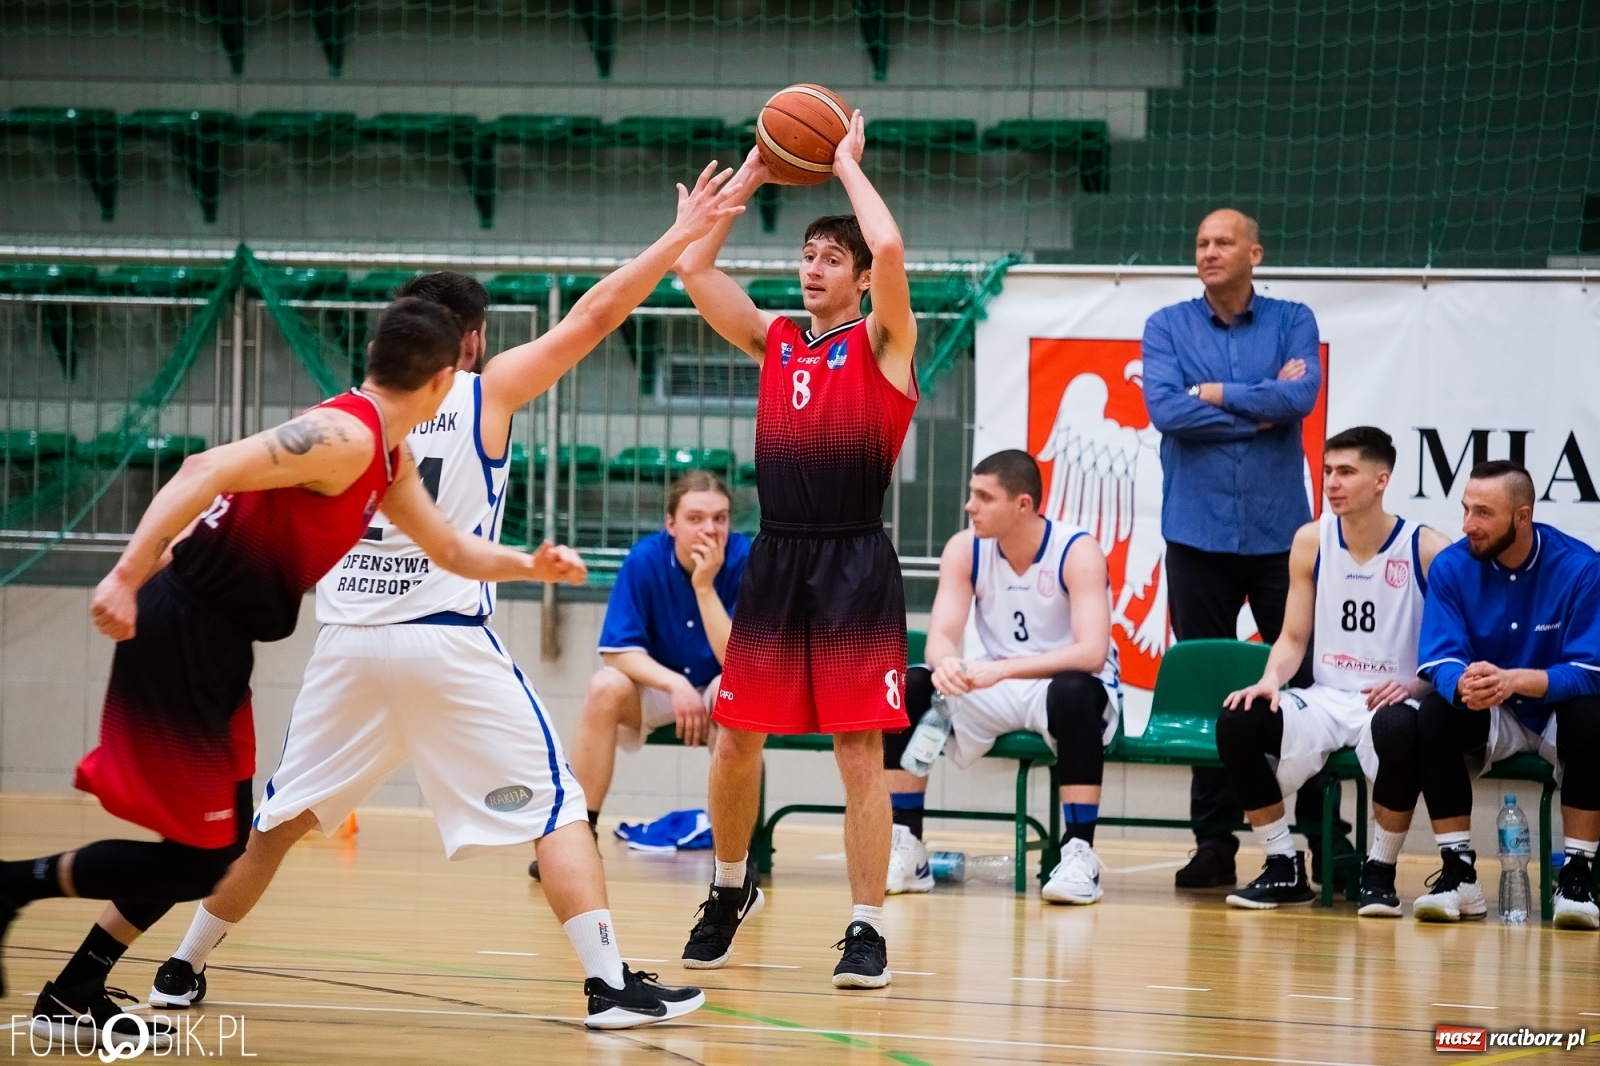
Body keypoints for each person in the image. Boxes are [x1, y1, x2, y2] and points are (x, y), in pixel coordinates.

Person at [143, 166, 742, 1030]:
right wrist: (682, 234)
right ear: (468, 341)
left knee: (275, 822)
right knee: (560, 805)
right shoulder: (484, 391)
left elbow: (231, 495)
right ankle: (609, 984)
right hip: (444, 639)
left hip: (346, 645)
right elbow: (595, 315)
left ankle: (179, 967)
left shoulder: (337, 415)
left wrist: (152, 566)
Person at [0, 298, 567, 1049]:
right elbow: (204, 467)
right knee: (201, 857)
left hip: (221, 644)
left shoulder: (386, 458)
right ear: (442, 383)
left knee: (220, 846)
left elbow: (455, 552)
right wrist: (124, 575)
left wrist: (529, 564)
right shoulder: (342, 434)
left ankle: (72, 991)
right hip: (182, 634)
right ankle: (12, 890)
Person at [671, 112, 918, 989]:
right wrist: (750, 178)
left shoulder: (885, 345)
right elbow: (693, 267)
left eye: (828, 259)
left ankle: (865, 928)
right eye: (806, 256)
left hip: (852, 561)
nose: (812, 268)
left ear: (854, 280)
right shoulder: (775, 339)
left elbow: (889, 249)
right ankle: (729, 890)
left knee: (859, 752)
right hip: (777, 558)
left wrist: (845, 164)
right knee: (736, 739)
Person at [1142, 207, 1347, 890]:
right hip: (1195, 533)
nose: (1208, 251)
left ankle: (1328, 841)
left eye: (1223, 242)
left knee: (1308, 682)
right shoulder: (1167, 325)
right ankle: (1214, 845)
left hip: (1279, 536)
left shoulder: (1294, 319)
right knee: (1208, 690)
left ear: (1254, 252)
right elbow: (1167, 412)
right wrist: (1258, 410)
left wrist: (1219, 394)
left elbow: (1302, 399)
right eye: (1200, 241)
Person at [1214, 427, 1449, 910]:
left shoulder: (1427, 548)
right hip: (1326, 696)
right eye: (1327, 472)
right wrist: (1269, 679)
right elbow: (1293, 638)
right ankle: (1282, 865)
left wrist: (1417, 685)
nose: (1332, 483)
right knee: (1238, 721)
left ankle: (1379, 872)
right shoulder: (1311, 540)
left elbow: (1451, 648)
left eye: (1346, 472)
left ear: (1381, 480)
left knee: (1401, 727)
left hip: (1390, 697)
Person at [881, 450, 1121, 903]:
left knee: (1073, 693)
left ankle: (1079, 854)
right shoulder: (964, 548)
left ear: (1022, 505)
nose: (970, 506)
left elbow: (1091, 653)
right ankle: (908, 846)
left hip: (1062, 683)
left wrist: (1001, 669)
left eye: (983, 497)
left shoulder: (1077, 549)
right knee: (913, 686)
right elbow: (941, 638)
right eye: (972, 494)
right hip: (995, 684)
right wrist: (948, 663)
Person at [1368, 461, 1600, 928]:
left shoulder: (1581, 567)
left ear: (1522, 516)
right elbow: (1438, 658)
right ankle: (1460, 874)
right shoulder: (1453, 565)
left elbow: (1590, 670)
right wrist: (1464, 684)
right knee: (1435, 712)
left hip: (1555, 709)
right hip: (1493, 709)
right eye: (1466, 509)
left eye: (1483, 513)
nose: (1468, 524)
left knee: (1592, 714)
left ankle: (1578, 877)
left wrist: (1516, 679)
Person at [561, 470, 749, 851]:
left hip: (722, 690)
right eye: (695, 518)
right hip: (662, 690)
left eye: (720, 518)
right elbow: (616, 651)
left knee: (733, 693)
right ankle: (580, 834)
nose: (710, 529)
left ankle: (737, 852)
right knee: (603, 687)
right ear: (671, 525)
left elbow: (738, 660)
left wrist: (704, 586)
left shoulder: (748, 559)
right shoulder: (644, 559)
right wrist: (674, 684)